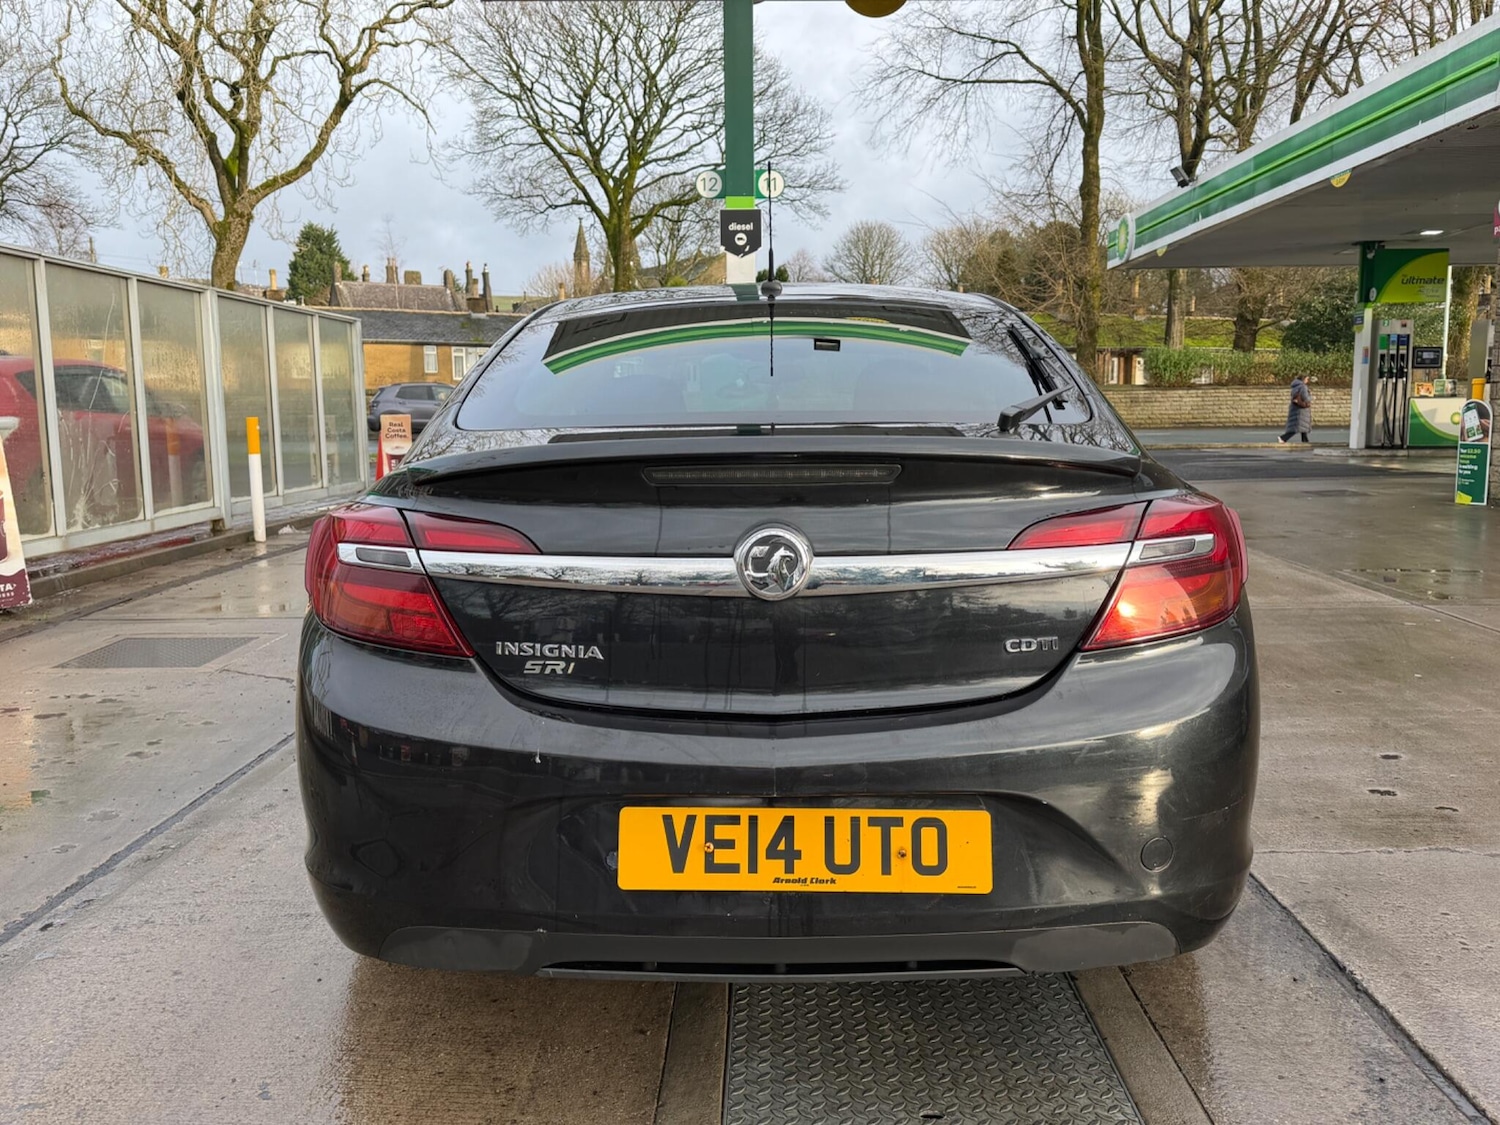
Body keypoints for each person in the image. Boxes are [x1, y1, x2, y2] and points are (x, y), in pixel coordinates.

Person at [1278, 375, 1312, 444]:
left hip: (1296, 408)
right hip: (1301, 410)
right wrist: (1311, 397)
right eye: (1307, 379)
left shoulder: (1295, 387)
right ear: (1303, 379)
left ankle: (1305, 441)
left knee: (1302, 426)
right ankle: (1283, 438)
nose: (1307, 381)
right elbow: (1306, 398)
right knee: (1297, 426)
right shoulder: (1303, 387)